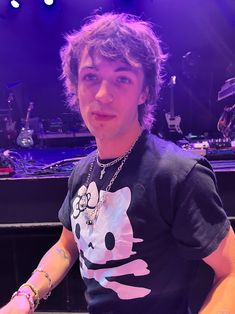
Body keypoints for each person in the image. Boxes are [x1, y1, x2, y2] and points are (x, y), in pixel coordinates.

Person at [1, 12, 235, 314]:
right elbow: (65, 247)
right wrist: (26, 295)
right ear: (75, 86)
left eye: (122, 78)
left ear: (145, 91)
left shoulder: (177, 174)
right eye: (90, 77)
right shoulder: (83, 171)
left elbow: (231, 271)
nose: (102, 94)